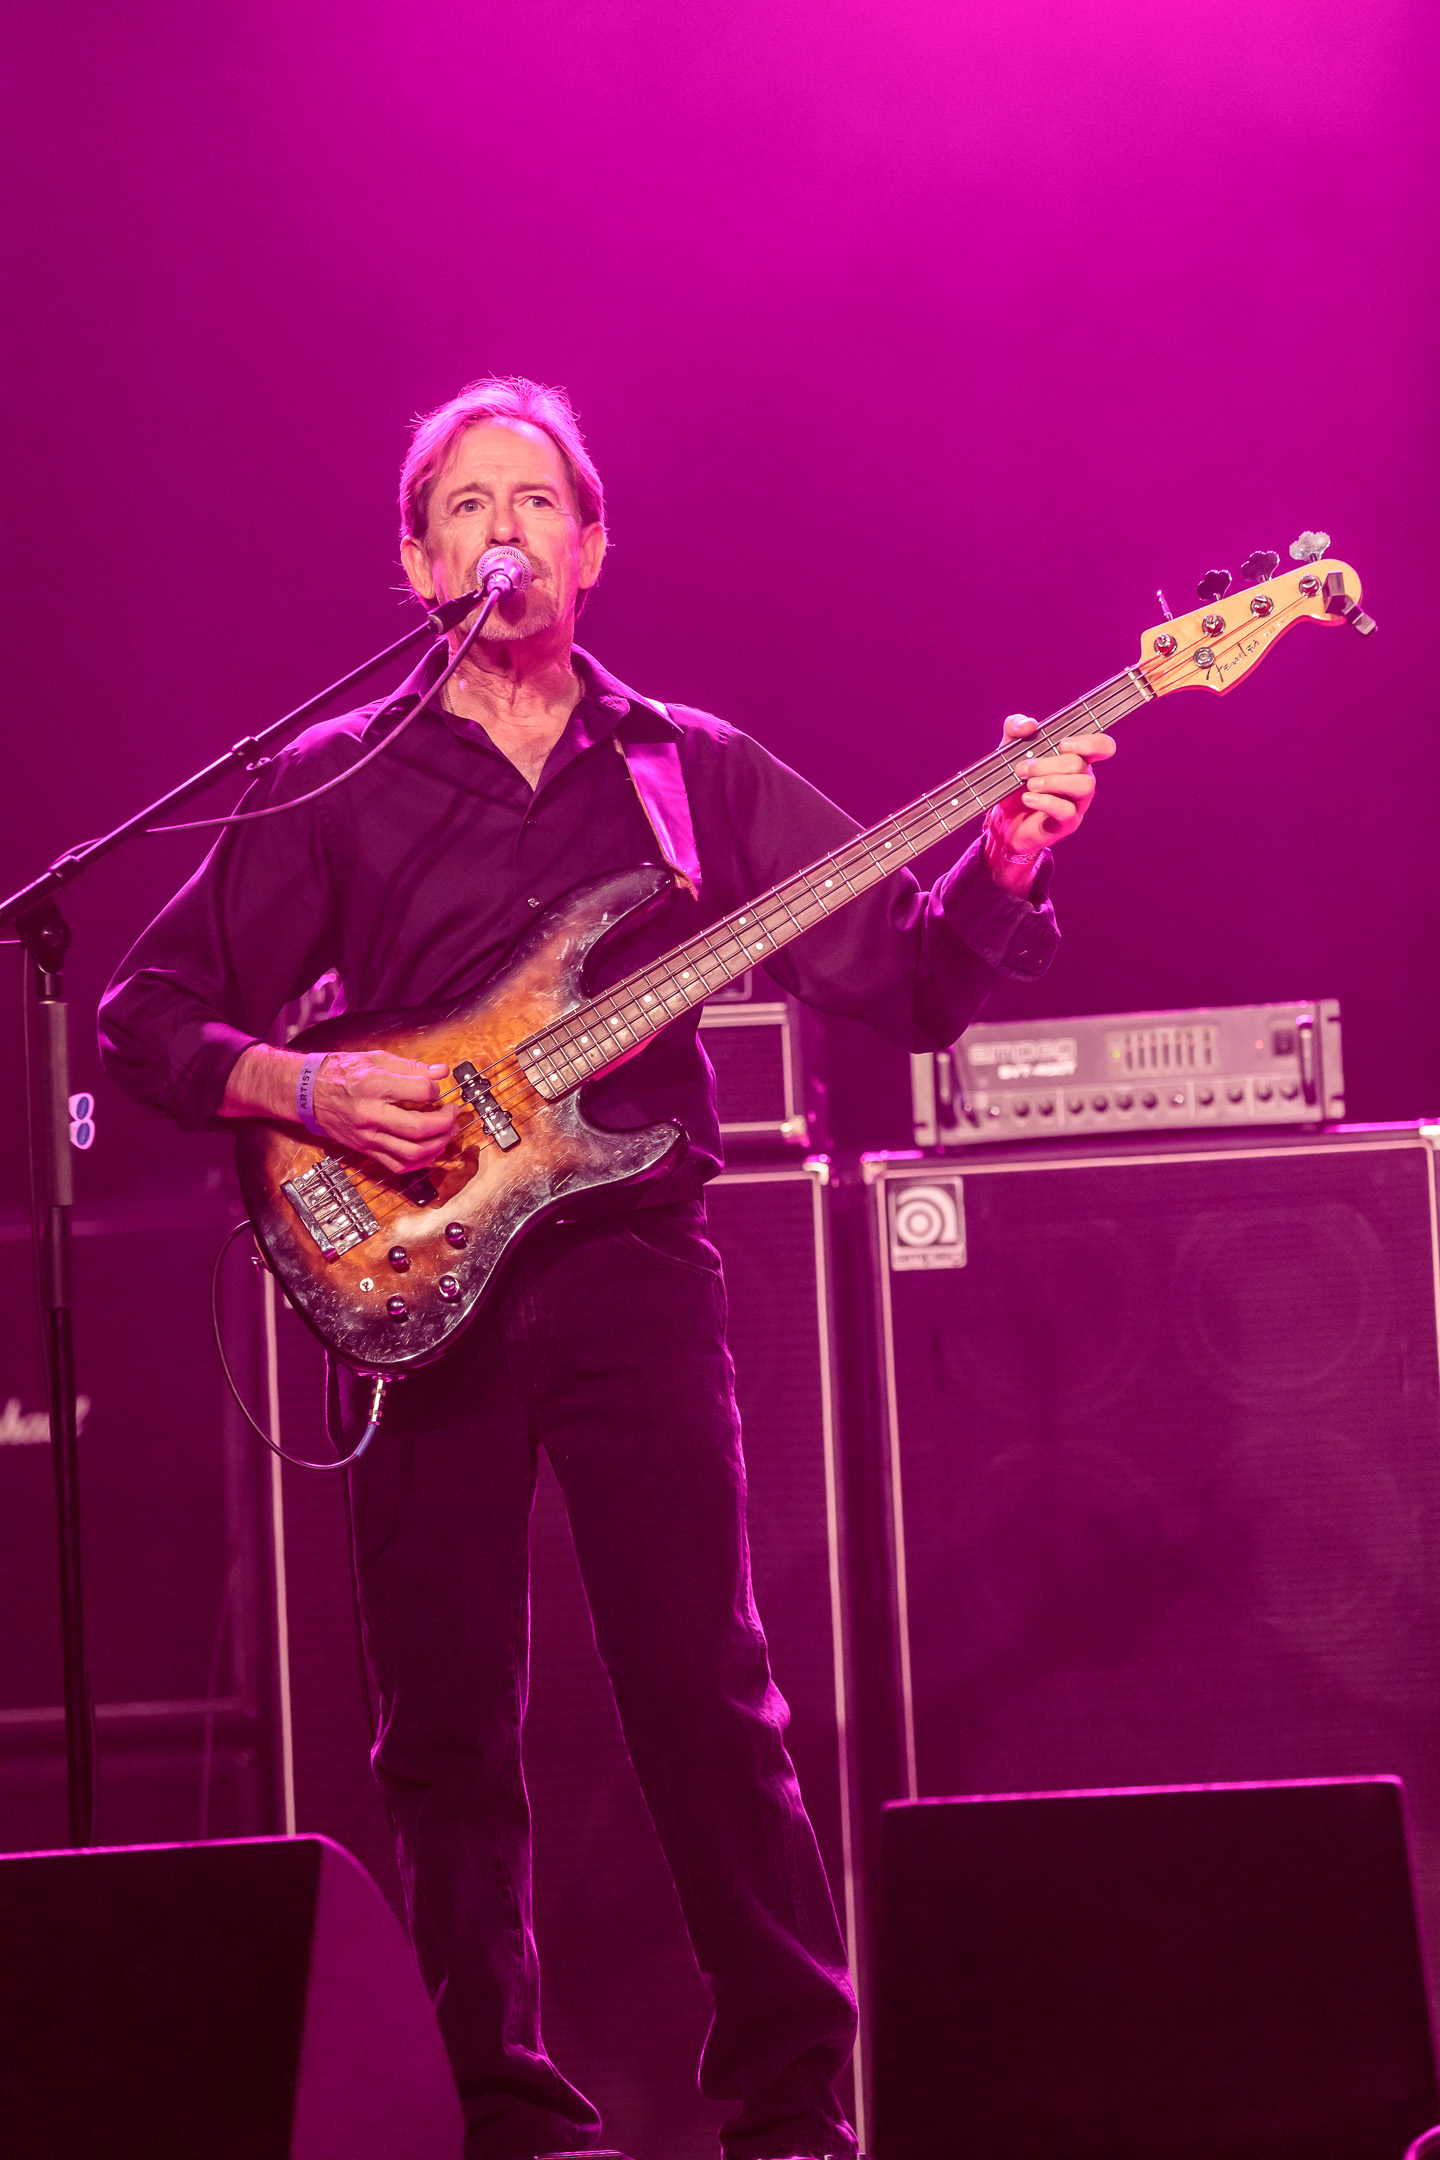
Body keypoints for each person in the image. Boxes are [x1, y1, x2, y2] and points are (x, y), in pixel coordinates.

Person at [100, 376, 1113, 2160]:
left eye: (536, 504)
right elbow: (145, 1013)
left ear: (591, 549)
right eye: (467, 507)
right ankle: (503, 2114)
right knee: (445, 1724)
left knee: (706, 1690)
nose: (504, 532)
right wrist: (309, 1085)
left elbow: (904, 981)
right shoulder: (331, 778)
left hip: (635, 1261)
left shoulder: (689, 769)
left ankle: (792, 2108)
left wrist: (1005, 856)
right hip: (410, 1269)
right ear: (419, 564)